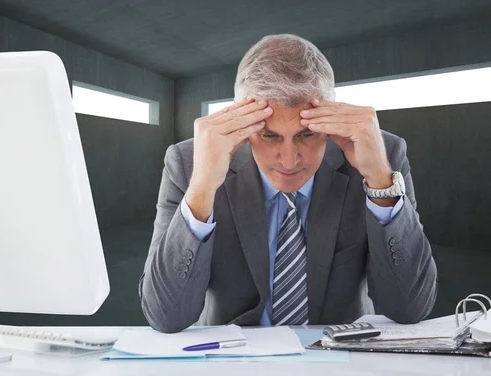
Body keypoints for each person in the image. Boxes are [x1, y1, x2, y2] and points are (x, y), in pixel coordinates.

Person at [139, 34, 437, 333]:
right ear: (243, 122)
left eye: (307, 134)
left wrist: (380, 183)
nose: (290, 160)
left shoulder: (380, 154)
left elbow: (410, 307)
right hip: (232, 353)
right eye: (270, 136)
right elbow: (166, 317)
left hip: (342, 354)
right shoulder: (188, 162)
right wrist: (202, 188)